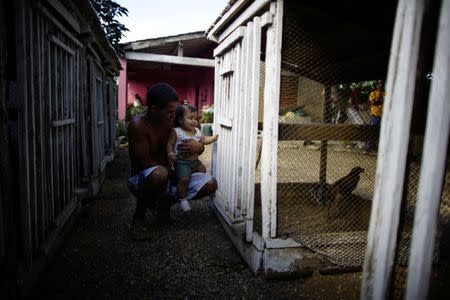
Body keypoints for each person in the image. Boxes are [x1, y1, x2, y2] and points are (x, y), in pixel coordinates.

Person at [127, 83, 217, 240]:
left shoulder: (173, 120)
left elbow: (196, 141)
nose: (173, 115)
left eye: (175, 111)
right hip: (145, 179)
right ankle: (138, 218)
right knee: (159, 174)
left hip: (171, 176)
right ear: (154, 109)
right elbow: (145, 163)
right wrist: (178, 174)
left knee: (210, 183)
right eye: (169, 111)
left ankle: (164, 205)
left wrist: (199, 147)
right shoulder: (138, 125)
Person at [166, 105, 218, 212]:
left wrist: (213, 138)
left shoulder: (197, 132)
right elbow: (169, 144)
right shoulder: (176, 131)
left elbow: (203, 140)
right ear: (180, 120)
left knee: (202, 170)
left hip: (194, 162)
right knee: (184, 179)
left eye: (196, 118)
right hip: (182, 162)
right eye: (191, 118)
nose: (194, 121)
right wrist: (170, 153)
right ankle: (182, 198)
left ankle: (188, 183)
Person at [365, 80, 385, 152]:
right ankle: (368, 148)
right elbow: (372, 102)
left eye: (381, 83)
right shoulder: (373, 93)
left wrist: (378, 100)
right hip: (375, 115)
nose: (380, 85)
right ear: (376, 85)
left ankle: (380, 148)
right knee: (372, 131)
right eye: (379, 83)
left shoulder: (385, 93)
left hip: (383, 116)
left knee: (382, 132)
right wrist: (380, 100)